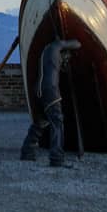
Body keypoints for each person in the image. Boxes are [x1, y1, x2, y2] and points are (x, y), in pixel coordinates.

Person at [20, 37, 81, 166]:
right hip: (51, 89)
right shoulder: (56, 46)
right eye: (67, 57)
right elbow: (77, 44)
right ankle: (56, 158)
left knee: (41, 122)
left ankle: (27, 151)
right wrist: (72, 42)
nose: (66, 60)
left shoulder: (46, 52)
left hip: (39, 89)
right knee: (57, 122)